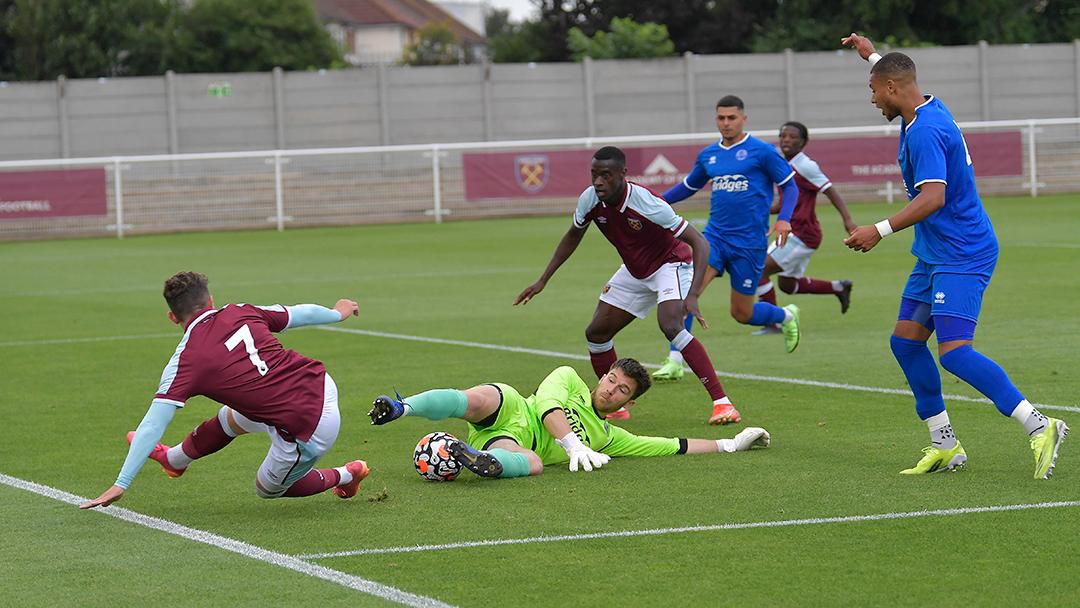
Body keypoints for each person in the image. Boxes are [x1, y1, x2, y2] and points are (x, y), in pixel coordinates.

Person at [840, 34, 1068, 478]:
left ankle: (1040, 424)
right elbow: (896, 68)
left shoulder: (925, 130)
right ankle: (945, 444)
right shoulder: (923, 103)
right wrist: (869, 54)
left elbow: (933, 199)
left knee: (955, 352)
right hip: (934, 252)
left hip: (963, 253)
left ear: (890, 88)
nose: (871, 99)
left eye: (872, 90)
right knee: (905, 342)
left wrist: (879, 230)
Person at [80, 271, 368, 509]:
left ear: (172, 317)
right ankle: (174, 461)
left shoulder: (186, 361)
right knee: (232, 418)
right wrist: (336, 313)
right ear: (211, 300)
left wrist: (122, 482)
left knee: (267, 489)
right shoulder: (239, 311)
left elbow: (153, 424)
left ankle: (347, 474)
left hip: (308, 426)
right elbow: (297, 314)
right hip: (318, 382)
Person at [514, 146, 738, 426]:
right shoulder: (590, 199)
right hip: (635, 271)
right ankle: (615, 407)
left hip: (670, 264)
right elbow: (573, 234)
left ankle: (722, 404)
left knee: (670, 325)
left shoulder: (646, 202)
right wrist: (543, 279)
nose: (598, 182)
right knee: (596, 333)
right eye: (594, 174)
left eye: (606, 175)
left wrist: (692, 295)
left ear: (623, 174)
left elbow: (699, 242)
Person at [367, 358, 771, 478]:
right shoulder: (569, 378)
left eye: (622, 390)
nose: (611, 389)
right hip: (512, 409)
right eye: (611, 379)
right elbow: (545, 405)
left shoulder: (609, 437)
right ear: (603, 375)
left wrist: (729, 445)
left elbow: (671, 446)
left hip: (515, 443)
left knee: (532, 463)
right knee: (481, 396)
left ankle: (471, 455)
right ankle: (404, 407)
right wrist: (573, 443)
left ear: (628, 402)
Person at [652, 95, 802, 387]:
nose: (726, 123)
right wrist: (653, 202)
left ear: (743, 119)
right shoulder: (709, 155)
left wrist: (784, 219)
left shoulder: (762, 152)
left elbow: (790, 187)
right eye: (721, 118)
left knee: (741, 313)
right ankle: (675, 360)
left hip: (749, 243)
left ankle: (785, 316)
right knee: (686, 296)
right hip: (714, 239)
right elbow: (687, 187)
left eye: (732, 118)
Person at [752, 121, 857, 336]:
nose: (787, 140)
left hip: (801, 233)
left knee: (759, 269)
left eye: (793, 137)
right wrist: (756, 210)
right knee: (788, 285)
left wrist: (848, 220)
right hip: (798, 232)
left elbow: (830, 190)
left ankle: (773, 323)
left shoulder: (805, 166)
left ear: (804, 142)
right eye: (784, 136)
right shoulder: (784, 165)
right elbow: (783, 204)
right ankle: (839, 287)